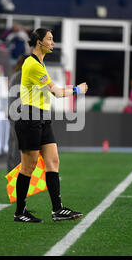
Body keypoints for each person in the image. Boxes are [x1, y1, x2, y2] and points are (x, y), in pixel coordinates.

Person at [13, 28, 88, 223]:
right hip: (30, 118)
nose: (53, 43)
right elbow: (56, 92)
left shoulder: (40, 64)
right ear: (39, 42)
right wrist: (77, 90)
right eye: (50, 39)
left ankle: (57, 210)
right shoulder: (33, 65)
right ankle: (20, 212)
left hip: (42, 118)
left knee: (53, 161)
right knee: (28, 167)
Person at [7, 54, 27, 172]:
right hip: (19, 114)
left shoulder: (16, 75)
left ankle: (12, 171)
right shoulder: (21, 76)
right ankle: (18, 172)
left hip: (14, 113)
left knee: (14, 143)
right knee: (20, 145)